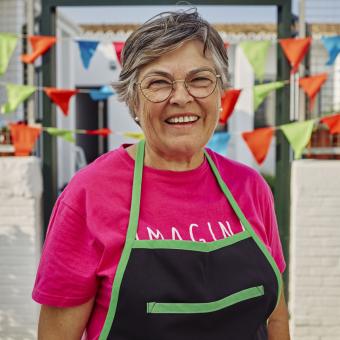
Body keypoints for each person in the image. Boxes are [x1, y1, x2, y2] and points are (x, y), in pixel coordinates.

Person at [33, 9, 290, 340]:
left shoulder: (250, 187)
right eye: (158, 82)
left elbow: (277, 318)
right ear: (134, 102)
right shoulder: (89, 193)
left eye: (200, 79)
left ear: (220, 94)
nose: (182, 98)